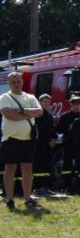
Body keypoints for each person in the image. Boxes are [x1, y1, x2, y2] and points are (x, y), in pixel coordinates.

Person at [1, 71, 44, 209]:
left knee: (27, 168)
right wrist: (28, 113)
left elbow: (39, 112)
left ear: (22, 82)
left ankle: (27, 199)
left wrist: (19, 111)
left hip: (28, 139)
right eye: (13, 82)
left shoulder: (30, 97)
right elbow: (8, 114)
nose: (16, 84)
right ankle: (9, 199)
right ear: (8, 83)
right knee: (10, 168)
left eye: (18, 81)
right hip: (11, 139)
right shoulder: (4, 97)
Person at [31, 94, 58, 196]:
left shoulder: (49, 116)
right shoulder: (37, 114)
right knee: (39, 166)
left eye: (48, 102)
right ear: (40, 102)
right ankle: (38, 188)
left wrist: (54, 138)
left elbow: (52, 129)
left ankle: (45, 187)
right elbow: (39, 130)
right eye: (44, 102)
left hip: (47, 144)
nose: (46, 103)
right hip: (38, 144)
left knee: (46, 165)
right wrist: (49, 139)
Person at [55, 96, 80, 189]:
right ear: (71, 104)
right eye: (76, 104)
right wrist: (68, 128)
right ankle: (67, 185)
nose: (78, 106)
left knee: (79, 164)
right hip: (68, 143)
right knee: (67, 165)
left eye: (79, 104)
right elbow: (59, 130)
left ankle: (79, 184)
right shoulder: (65, 116)